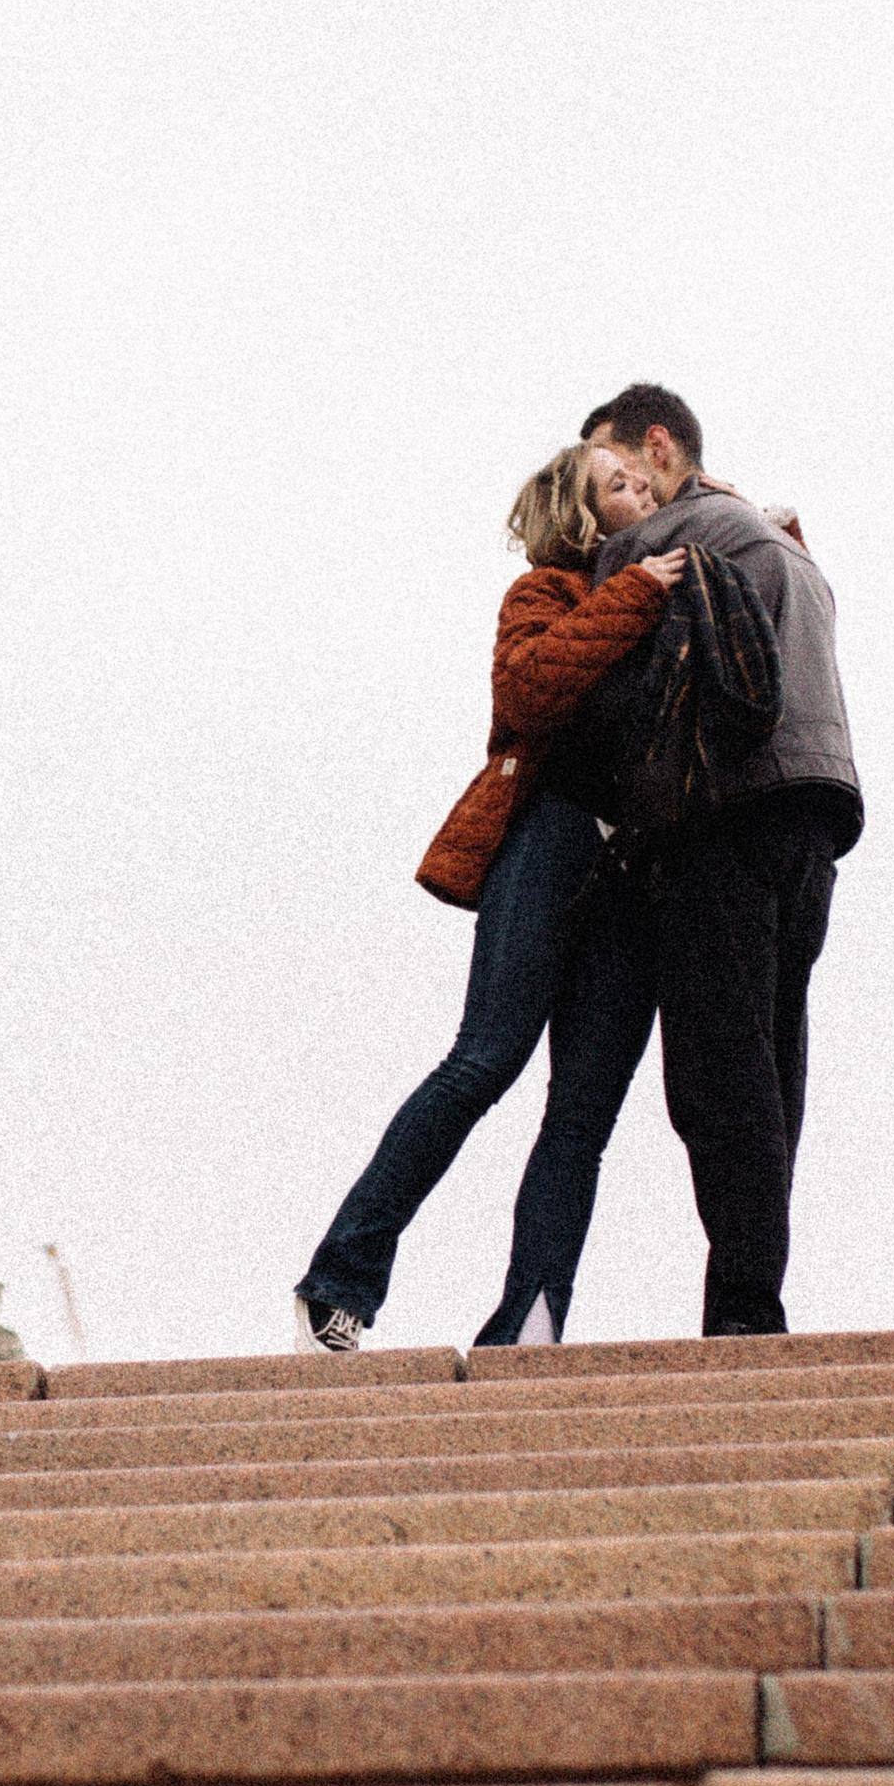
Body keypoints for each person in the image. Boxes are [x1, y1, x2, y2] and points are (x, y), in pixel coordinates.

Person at [293, 447, 682, 1351]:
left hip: (634, 870)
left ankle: (533, 1320)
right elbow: (529, 690)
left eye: (645, 480)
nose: (643, 491)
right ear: (581, 517)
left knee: (583, 1114)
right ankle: (339, 1281)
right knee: (485, 1061)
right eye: (617, 484)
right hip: (547, 836)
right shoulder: (545, 593)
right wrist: (634, 596)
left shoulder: (671, 585)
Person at [573, 382, 862, 1338]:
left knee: (714, 1076)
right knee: (773, 1067)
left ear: (657, 448)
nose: (606, 505)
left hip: (720, 822)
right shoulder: (783, 545)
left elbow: (594, 682)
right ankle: (748, 1298)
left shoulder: (658, 543)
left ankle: (746, 1315)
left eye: (612, 473)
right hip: (817, 816)